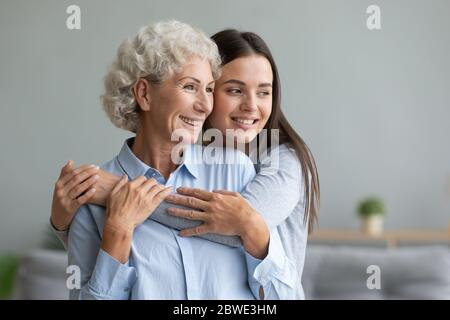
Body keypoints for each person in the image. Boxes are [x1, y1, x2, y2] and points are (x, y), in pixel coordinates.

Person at [58, 20, 297, 300]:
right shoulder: (91, 198)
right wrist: (118, 232)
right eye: (189, 87)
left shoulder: (236, 172)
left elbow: (282, 297)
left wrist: (253, 229)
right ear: (144, 94)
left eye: (208, 89)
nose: (205, 105)